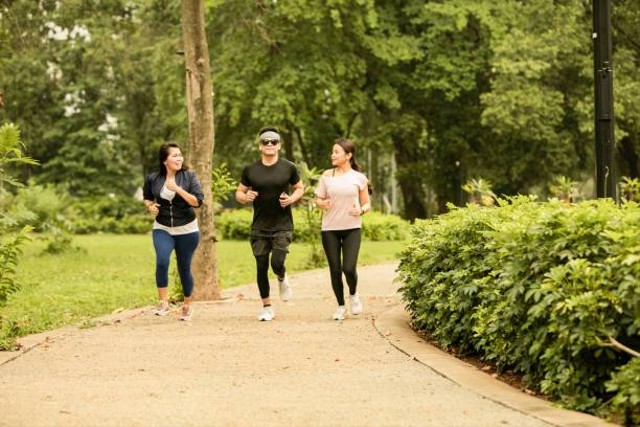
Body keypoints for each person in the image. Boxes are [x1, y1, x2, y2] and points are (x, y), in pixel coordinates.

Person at [235, 127, 304, 321]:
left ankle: (281, 276)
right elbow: (239, 193)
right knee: (261, 266)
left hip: (283, 224)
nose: (270, 144)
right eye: (266, 141)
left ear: (279, 145)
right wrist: (244, 196)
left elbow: (299, 188)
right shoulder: (251, 170)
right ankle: (266, 307)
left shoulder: (288, 167)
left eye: (274, 141)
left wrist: (292, 199)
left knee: (277, 262)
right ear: (260, 146)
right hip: (259, 226)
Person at [142, 142, 204, 321]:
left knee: (184, 267)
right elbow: (147, 197)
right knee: (162, 260)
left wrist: (177, 188)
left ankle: (187, 305)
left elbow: (197, 202)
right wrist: (150, 206)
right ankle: (163, 302)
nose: (179, 158)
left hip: (187, 229)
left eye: (180, 155)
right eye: (174, 155)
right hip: (162, 228)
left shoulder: (189, 177)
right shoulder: (153, 178)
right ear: (165, 160)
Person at [315, 138, 370, 320]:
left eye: (336, 152)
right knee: (335, 269)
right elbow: (318, 200)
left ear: (348, 155)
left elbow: (367, 204)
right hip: (329, 229)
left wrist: (360, 210)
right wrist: (323, 203)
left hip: (352, 228)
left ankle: (353, 294)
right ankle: (340, 306)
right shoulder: (326, 176)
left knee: (348, 267)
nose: (332, 155)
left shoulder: (359, 178)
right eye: (332, 151)